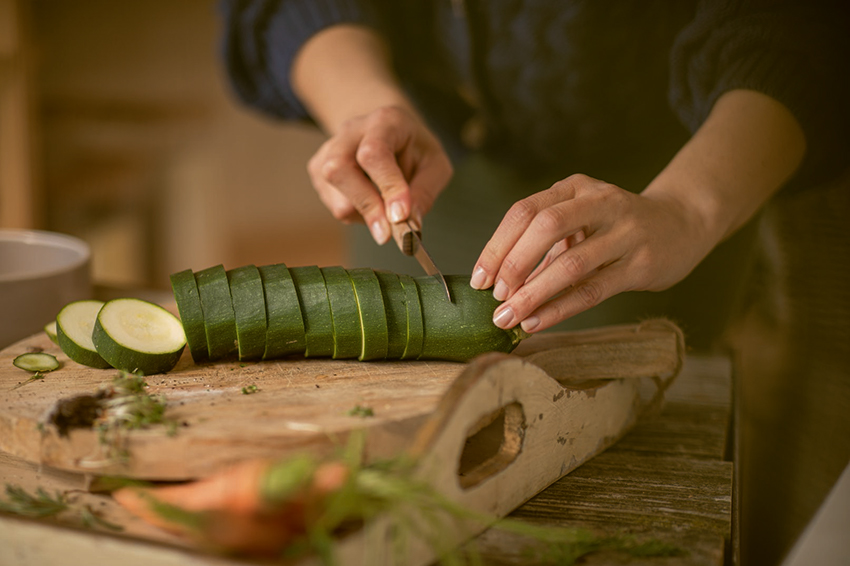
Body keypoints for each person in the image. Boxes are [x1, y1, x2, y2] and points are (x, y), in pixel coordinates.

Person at [218, 0, 848, 351]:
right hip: (426, 169)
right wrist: (364, 104)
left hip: (667, 184)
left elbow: (799, 25)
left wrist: (686, 208)